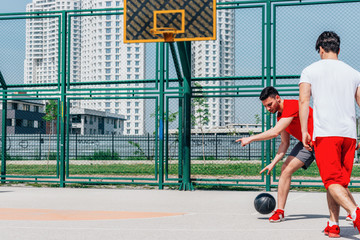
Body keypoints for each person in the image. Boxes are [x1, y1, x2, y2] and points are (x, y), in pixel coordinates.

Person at [299, 31, 360, 238]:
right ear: (339, 50)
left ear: (321, 49)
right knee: (339, 183)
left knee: (331, 181)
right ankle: (333, 223)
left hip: (326, 133)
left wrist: (305, 131)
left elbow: (304, 101)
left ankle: (356, 214)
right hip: (349, 135)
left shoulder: (309, 70)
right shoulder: (354, 72)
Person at [236, 86, 315, 223]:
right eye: (265, 106)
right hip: (306, 144)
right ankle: (280, 211)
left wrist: (250, 138)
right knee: (285, 169)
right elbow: (284, 143)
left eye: (269, 104)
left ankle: (353, 210)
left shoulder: (292, 106)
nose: (268, 108)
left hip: (321, 140)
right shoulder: (281, 116)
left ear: (277, 98)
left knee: (332, 178)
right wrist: (273, 163)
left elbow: (274, 132)